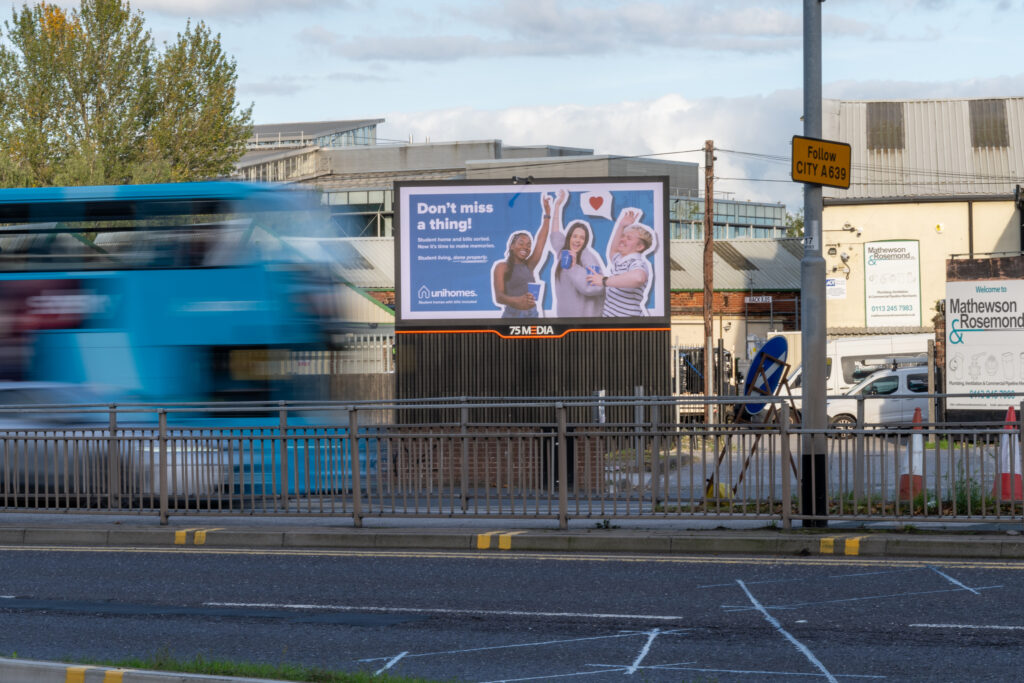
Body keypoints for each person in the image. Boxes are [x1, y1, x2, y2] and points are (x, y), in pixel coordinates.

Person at [546, 189, 605, 317]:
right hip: (564, 319)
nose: (578, 240)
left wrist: (574, 268)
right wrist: (557, 205)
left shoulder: (587, 257)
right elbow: (555, 233)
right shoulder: (564, 252)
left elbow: (597, 287)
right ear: (569, 238)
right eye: (575, 236)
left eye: (582, 238)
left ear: (585, 241)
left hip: (584, 321)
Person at [586, 207, 654, 317]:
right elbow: (613, 250)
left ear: (640, 246)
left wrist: (604, 281)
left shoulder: (636, 262)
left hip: (628, 324)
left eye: (629, 238)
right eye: (623, 236)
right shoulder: (620, 259)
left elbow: (639, 278)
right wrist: (621, 226)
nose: (622, 239)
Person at [492, 193, 552, 318]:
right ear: (512, 246)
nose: (526, 247)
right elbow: (499, 297)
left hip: (532, 313)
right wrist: (517, 300)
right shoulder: (502, 267)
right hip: (512, 315)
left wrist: (547, 215)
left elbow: (541, 241)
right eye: (521, 243)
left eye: (528, 245)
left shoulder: (529, 265)